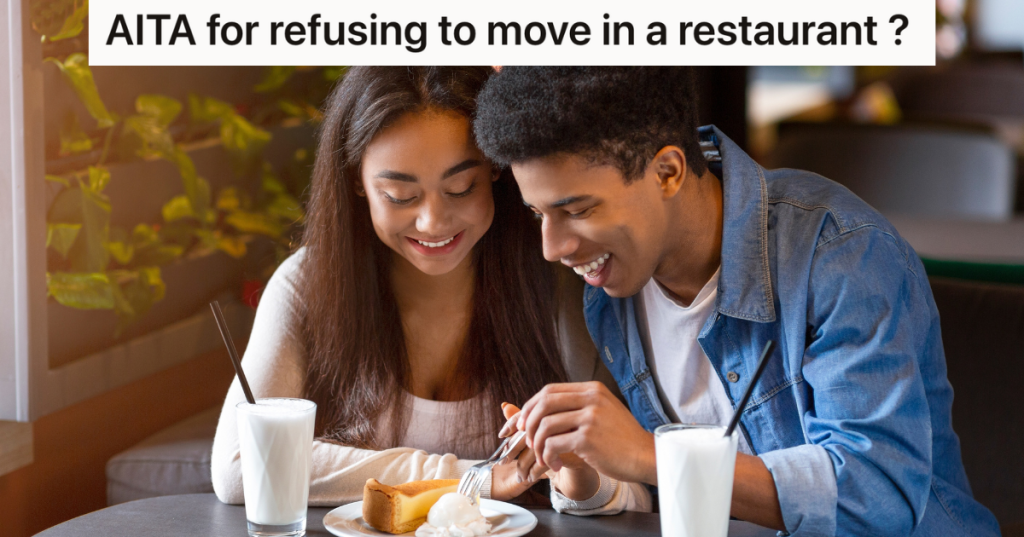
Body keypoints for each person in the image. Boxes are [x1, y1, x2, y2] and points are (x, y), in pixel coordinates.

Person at [473, 67, 1001, 536]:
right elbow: (674, 503)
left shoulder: (839, 251)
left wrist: (651, 455)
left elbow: (876, 496)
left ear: (668, 172)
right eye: (539, 214)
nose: (553, 248)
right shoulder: (611, 292)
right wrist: (588, 473)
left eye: (578, 209)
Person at [210, 66, 647, 511]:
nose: (433, 223)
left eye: (461, 187)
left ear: (496, 170)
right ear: (357, 182)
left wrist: (579, 476)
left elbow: (634, 498)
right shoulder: (308, 284)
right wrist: (474, 478)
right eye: (400, 196)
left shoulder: (559, 284)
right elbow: (241, 465)